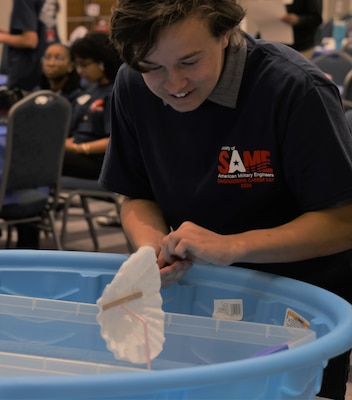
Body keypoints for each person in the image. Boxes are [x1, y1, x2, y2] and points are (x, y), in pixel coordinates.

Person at [100, 1, 352, 398]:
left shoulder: (293, 88)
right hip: (197, 300)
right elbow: (136, 193)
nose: (174, 84)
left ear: (225, 34)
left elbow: (343, 221)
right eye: (153, 68)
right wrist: (149, 247)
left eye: (190, 61)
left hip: (294, 306)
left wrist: (233, 246)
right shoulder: (132, 84)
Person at [62, 31, 122, 180]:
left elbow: (116, 140)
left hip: (99, 161)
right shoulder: (89, 90)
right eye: (76, 65)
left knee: (47, 156)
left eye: (84, 65)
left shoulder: (117, 92)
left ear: (102, 62)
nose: (79, 71)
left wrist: (80, 148)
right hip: (76, 153)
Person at [0, 0, 60, 91]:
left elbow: (30, 41)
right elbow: (41, 31)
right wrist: (9, 35)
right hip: (46, 69)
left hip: (28, 74)